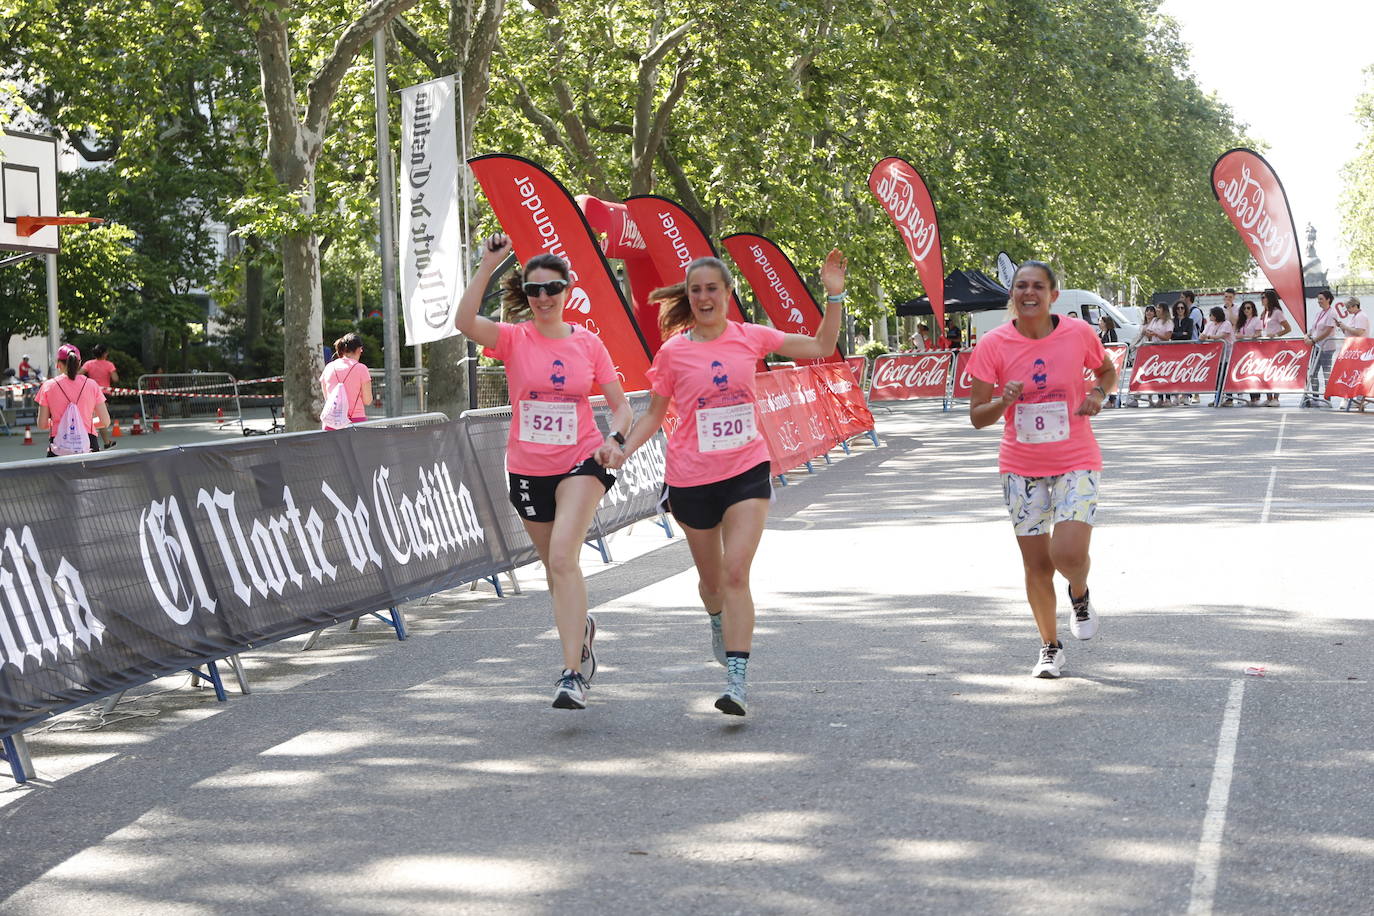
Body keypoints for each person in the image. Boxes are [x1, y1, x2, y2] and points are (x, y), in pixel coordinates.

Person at [608, 251, 847, 716]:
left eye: (712, 289)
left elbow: (821, 346)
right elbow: (654, 414)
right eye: (695, 290)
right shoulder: (674, 351)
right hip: (690, 478)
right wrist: (621, 448)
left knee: (737, 572)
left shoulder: (750, 338)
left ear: (728, 293)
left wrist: (833, 293)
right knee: (712, 582)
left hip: (746, 470)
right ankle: (717, 618)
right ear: (688, 296)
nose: (703, 297)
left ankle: (736, 679)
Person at [456, 234, 632, 710]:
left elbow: (620, 409)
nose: (544, 298)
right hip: (527, 468)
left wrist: (614, 439)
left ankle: (571, 674)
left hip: (581, 460)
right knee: (558, 572)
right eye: (534, 290)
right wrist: (488, 264)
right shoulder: (513, 338)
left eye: (553, 288)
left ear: (568, 290)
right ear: (526, 296)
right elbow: (464, 321)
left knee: (561, 559)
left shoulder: (588, 343)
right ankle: (584, 630)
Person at [967, 261, 1116, 678]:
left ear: (1053, 295)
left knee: (1067, 553)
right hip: (1021, 465)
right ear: (1012, 294)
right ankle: (1050, 646)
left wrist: (1099, 394)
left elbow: (1107, 369)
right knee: (1036, 565)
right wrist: (1004, 401)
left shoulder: (1078, 333)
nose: (1028, 293)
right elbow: (978, 416)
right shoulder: (993, 345)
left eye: (1037, 286)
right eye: (1020, 286)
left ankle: (1080, 593)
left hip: (1076, 458)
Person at [36, 344, 111, 457]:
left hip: (59, 443)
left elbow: (42, 424)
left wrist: (63, 424)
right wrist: (83, 423)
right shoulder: (91, 385)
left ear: (58, 364)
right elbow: (105, 421)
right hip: (88, 443)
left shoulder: (48, 386)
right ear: (79, 363)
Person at [319, 333, 374, 430]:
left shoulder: (329, 367)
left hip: (331, 421)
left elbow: (327, 397)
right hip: (355, 422)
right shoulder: (362, 369)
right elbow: (367, 400)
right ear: (358, 350)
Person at [1303, 289, 1340, 408]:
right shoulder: (1319, 313)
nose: (1318, 301)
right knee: (1313, 373)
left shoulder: (1332, 313)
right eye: (1318, 299)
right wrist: (1308, 335)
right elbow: (1314, 328)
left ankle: (1327, 397)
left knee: (1326, 373)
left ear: (1328, 299)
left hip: (1326, 348)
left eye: (1321, 299)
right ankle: (1315, 396)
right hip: (1317, 347)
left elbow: (1328, 331)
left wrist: (1313, 340)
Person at [80, 343, 120, 448]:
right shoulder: (109, 365)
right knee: (100, 418)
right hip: (104, 393)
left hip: (90, 392)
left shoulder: (88, 364)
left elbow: (79, 374)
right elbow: (115, 378)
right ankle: (105, 442)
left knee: (92, 416)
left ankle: (102, 441)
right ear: (105, 354)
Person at [1334, 297, 1368, 411]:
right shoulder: (1356, 316)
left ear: (1355, 306)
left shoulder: (1361, 316)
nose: (1347, 310)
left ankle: (1357, 399)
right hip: (1354, 348)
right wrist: (1342, 327)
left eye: (1348, 307)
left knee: (1357, 375)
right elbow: (1351, 331)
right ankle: (1353, 398)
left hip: (1359, 348)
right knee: (1352, 375)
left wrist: (1345, 327)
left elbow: (1359, 332)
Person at [1261, 290, 1291, 406]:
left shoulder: (1277, 312)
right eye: (1261, 297)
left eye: (1264, 297)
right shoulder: (1264, 313)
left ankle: (1276, 398)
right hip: (1265, 345)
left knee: (1275, 371)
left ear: (1270, 299)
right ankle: (1268, 397)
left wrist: (1276, 334)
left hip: (1275, 345)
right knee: (1265, 372)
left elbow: (1288, 328)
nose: (1262, 299)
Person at [1234, 300, 1264, 405]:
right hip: (1243, 351)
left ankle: (1256, 397)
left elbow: (1258, 334)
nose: (1246, 310)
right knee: (1247, 374)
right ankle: (1252, 397)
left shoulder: (1256, 320)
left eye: (1248, 308)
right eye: (1244, 308)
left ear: (1253, 309)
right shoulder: (1241, 321)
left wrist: (1244, 337)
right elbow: (1236, 333)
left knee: (1255, 373)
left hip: (1254, 350)